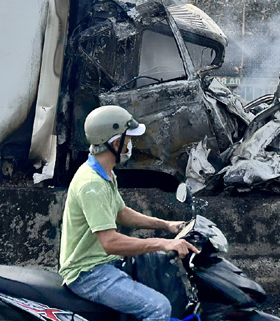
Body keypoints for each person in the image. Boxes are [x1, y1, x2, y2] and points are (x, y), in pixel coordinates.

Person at [59, 105, 199, 321]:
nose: (130, 145)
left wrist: (166, 225)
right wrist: (163, 243)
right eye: (128, 140)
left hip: (105, 264)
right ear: (115, 143)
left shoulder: (104, 174)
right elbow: (110, 242)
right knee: (158, 307)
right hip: (88, 274)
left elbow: (122, 213)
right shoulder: (92, 184)